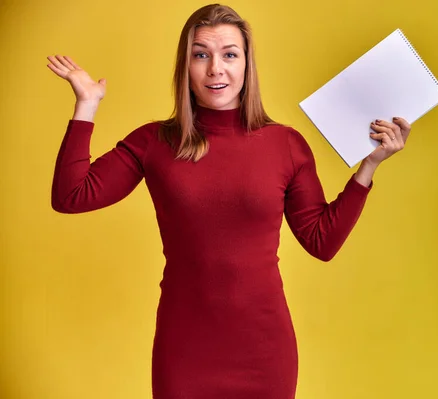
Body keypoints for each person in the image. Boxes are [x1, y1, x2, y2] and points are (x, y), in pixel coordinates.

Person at [47, 4, 411, 399]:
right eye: (201, 54)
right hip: (184, 348)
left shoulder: (285, 144)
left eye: (229, 54)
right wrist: (87, 105)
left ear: (246, 64)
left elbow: (321, 242)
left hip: (264, 350)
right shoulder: (155, 141)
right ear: (185, 67)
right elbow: (71, 196)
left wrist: (369, 165)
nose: (215, 69)